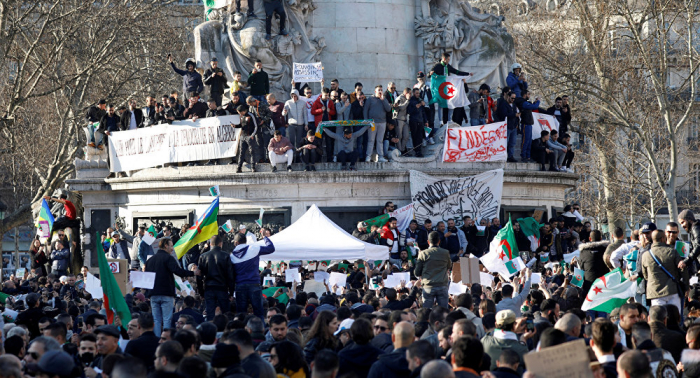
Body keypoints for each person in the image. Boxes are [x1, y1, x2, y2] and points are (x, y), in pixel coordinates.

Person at [145, 238, 199, 336]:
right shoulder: (168, 258)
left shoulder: (150, 260)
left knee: (156, 320)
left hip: (153, 294)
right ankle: (166, 339)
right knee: (167, 319)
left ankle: (158, 339)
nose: (172, 249)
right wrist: (193, 272)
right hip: (166, 293)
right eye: (171, 246)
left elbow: (147, 277)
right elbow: (178, 271)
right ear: (166, 245)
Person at [231, 233, 276, 320]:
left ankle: (242, 332)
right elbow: (271, 248)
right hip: (254, 284)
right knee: (259, 313)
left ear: (236, 243)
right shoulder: (253, 249)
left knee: (241, 315)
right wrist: (265, 237)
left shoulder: (231, 256)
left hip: (240, 286)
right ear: (245, 241)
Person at [642, 230, 686, 312]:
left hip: (655, 292)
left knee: (659, 318)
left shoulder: (645, 255)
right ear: (663, 239)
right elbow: (682, 270)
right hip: (672, 290)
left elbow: (645, 275)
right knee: (674, 317)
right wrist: (686, 286)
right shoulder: (672, 251)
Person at [198, 235, 236, 321]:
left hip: (209, 288)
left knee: (210, 314)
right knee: (226, 314)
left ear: (210, 244)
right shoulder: (226, 256)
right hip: (222, 288)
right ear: (220, 244)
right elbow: (230, 276)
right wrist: (231, 292)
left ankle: (211, 331)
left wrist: (201, 292)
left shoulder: (203, 256)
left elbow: (199, 276)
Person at [429, 52, 472, 127]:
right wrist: (430, 73)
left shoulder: (448, 66)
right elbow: (429, 74)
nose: (449, 61)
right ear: (444, 59)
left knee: (451, 101)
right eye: (448, 59)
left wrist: (467, 74)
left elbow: (456, 72)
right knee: (440, 104)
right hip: (440, 88)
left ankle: (450, 119)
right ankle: (440, 121)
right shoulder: (437, 66)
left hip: (447, 87)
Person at [414, 231, 451, 309]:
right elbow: (449, 266)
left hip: (428, 286)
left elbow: (417, 272)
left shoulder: (423, 253)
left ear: (428, 242)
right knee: (443, 312)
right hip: (442, 285)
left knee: (426, 311)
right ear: (439, 241)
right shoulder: (445, 252)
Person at [363, 85, 392, 162]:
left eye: (381, 90)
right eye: (379, 90)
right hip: (372, 123)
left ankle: (380, 157)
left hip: (382, 122)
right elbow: (365, 110)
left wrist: (383, 100)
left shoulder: (384, 99)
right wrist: (367, 121)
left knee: (380, 141)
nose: (380, 91)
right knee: (371, 140)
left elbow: (389, 109)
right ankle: (368, 156)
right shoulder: (370, 99)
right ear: (375, 91)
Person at [513, 90, 540, 162]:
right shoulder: (523, 103)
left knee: (529, 141)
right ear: (524, 95)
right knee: (525, 141)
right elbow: (534, 107)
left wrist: (534, 102)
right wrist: (538, 101)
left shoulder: (525, 103)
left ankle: (528, 156)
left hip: (529, 124)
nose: (529, 96)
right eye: (528, 94)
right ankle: (523, 155)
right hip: (525, 124)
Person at [235, 104, 259, 173]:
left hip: (249, 136)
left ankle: (253, 167)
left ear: (243, 111)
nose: (239, 113)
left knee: (252, 152)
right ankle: (239, 167)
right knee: (241, 152)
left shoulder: (251, 115)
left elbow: (256, 126)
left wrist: (252, 135)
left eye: (239, 112)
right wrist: (235, 126)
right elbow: (241, 125)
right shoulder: (241, 116)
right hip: (243, 136)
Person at [496, 91, 519, 162]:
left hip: (513, 126)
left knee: (512, 143)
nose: (513, 100)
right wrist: (514, 115)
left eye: (514, 98)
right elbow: (504, 114)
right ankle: (503, 155)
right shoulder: (504, 105)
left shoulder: (514, 105)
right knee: (506, 142)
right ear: (508, 97)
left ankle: (510, 156)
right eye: (512, 98)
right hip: (507, 126)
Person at [407, 88, 427, 157]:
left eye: (418, 93)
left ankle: (419, 150)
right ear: (413, 93)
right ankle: (416, 151)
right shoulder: (411, 101)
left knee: (420, 136)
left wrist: (426, 121)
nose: (418, 94)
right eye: (416, 93)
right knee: (414, 136)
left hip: (420, 121)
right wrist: (416, 107)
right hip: (413, 121)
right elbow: (409, 111)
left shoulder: (420, 100)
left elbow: (423, 112)